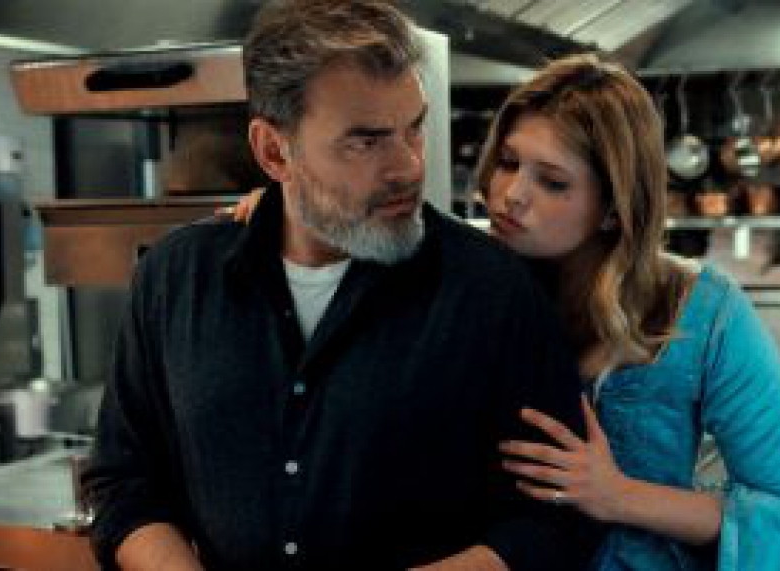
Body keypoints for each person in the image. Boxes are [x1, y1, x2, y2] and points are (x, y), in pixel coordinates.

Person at [229, 54, 780, 570]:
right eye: (508, 162)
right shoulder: (464, 281)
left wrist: (617, 495)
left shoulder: (706, 313)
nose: (511, 194)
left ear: (614, 208)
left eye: (552, 182)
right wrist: (294, 207)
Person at [80, 1, 600, 569]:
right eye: (365, 141)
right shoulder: (173, 278)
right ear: (274, 151)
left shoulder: (494, 290)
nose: (408, 167)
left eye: (414, 128)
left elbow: (556, 518)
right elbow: (123, 483)